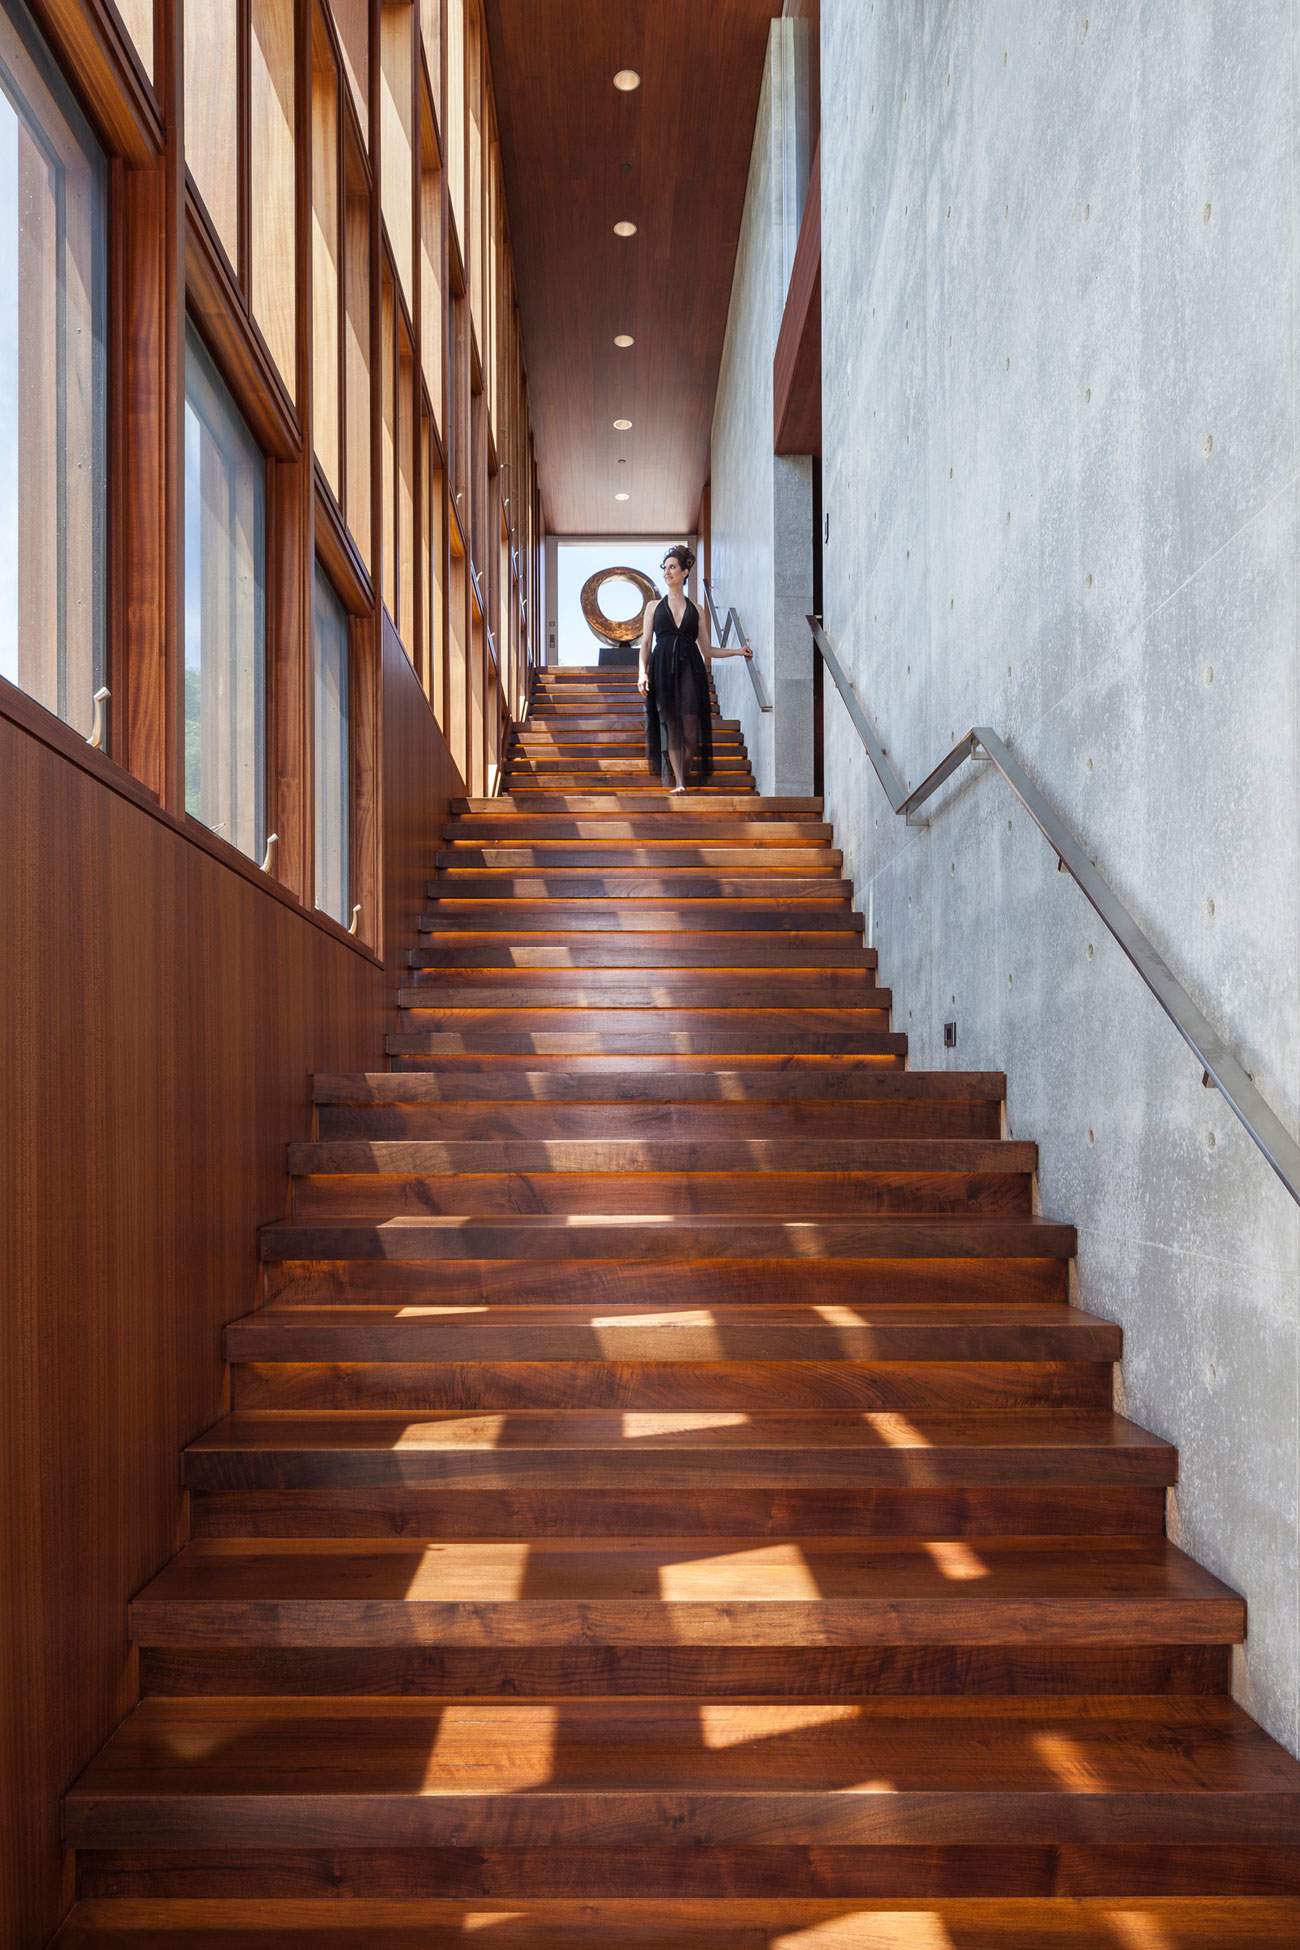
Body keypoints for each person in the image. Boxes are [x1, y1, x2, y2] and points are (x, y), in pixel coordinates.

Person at [637, 544, 753, 792]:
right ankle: (679, 782)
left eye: (672, 567)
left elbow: (708, 649)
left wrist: (736, 651)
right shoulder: (653, 607)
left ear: (684, 572)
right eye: (665, 568)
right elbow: (645, 644)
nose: (667, 572)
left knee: (690, 730)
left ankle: (684, 774)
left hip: (691, 667)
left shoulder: (697, 610)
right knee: (671, 726)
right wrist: (642, 673)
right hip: (661, 668)